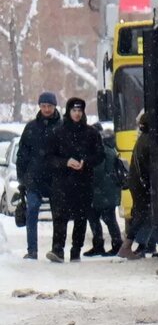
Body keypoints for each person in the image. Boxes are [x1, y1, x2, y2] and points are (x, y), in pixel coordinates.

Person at [46, 98, 104, 262]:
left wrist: (86, 162)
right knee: (60, 217)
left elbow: (100, 155)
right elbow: (48, 157)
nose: (77, 114)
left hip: (83, 182)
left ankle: (76, 250)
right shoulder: (58, 132)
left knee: (80, 217)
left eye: (80, 111)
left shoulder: (91, 133)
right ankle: (57, 249)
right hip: (62, 183)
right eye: (74, 110)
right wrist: (65, 162)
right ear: (68, 112)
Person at [15, 92, 62, 260]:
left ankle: (57, 249)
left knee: (59, 214)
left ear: (55, 106)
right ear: (39, 106)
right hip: (34, 178)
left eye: (49, 106)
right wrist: (23, 178)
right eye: (43, 106)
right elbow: (22, 155)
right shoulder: (31, 128)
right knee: (32, 210)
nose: (46, 109)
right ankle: (32, 250)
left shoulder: (62, 127)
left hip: (56, 178)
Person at [118, 113, 158, 259]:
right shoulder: (149, 141)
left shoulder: (142, 139)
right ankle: (127, 246)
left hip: (137, 183)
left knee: (143, 215)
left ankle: (142, 246)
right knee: (143, 215)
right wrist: (151, 185)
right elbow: (149, 167)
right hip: (143, 185)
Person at [84, 124, 124, 257]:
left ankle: (111, 245)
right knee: (106, 218)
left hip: (102, 192)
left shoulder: (101, 150)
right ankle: (108, 244)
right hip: (107, 191)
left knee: (102, 218)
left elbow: (98, 171)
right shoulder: (108, 148)